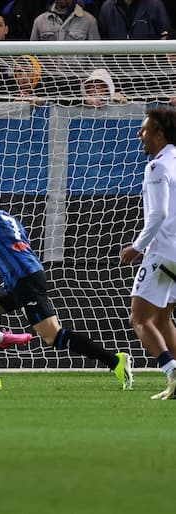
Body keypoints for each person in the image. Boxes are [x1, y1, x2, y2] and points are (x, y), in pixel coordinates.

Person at [0, 181, 133, 390]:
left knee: (52, 336)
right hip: (23, 276)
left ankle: (116, 361)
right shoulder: (10, 218)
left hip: (24, 280)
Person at [120, 107, 176, 400]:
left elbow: (159, 213)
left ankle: (172, 373)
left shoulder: (157, 166)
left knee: (141, 320)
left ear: (159, 134)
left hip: (162, 252)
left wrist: (137, 247)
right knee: (164, 318)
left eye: (144, 130)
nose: (140, 135)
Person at [30, 0, 100, 41]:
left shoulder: (89, 21)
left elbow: (97, 60)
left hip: (77, 66)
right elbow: (32, 56)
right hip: (47, 66)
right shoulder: (40, 21)